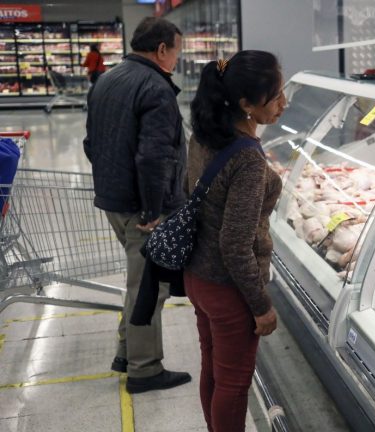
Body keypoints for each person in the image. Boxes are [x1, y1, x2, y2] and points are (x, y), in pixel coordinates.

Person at [83, 17, 191, 393]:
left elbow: (91, 144)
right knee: (149, 288)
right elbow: (154, 157)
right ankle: (144, 370)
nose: (176, 59)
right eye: (176, 51)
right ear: (161, 49)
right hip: (142, 210)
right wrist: (152, 209)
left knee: (137, 284)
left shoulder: (107, 79)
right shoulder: (156, 88)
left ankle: (126, 353)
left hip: (115, 201)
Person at [185, 50, 285, 431]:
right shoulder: (247, 159)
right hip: (229, 290)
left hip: (198, 276)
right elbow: (236, 244)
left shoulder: (204, 135)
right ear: (246, 104)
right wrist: (261, 307)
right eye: (275, 96)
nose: (284, 103)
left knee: (212, 367)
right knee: (234, 383)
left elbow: (189, 193)